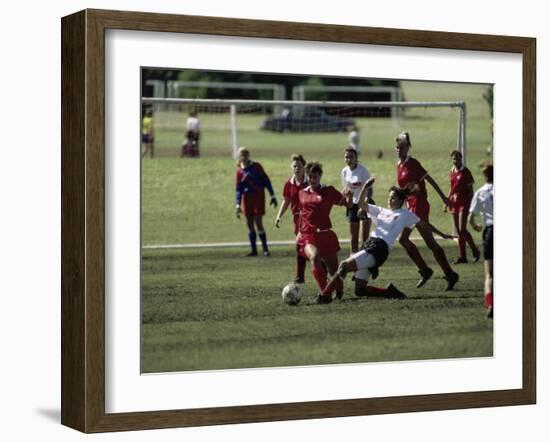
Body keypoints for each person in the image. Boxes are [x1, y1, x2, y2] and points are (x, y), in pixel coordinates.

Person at [322, 179, 425, 299]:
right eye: (389, 197)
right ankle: (389, 292)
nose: (389, 200)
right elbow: (361, 205)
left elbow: (424, 224)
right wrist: (365, 187)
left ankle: (324, 295)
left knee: (343, 266)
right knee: (360, 290)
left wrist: (444, 235)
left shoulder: (405, 214)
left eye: (393, 198)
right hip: (369, 245)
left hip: (379, 248)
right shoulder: (381, 210)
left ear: (401, 201)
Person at [395, 132, 459, 291]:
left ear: (408, 147)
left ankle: (425, 270)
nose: (399, 150)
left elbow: (429, 180)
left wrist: (444, 197)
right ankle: (449, 274)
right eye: (397, 147)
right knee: (429, 243)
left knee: (403, 239)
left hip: (420, 204)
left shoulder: (413, 164)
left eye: (402, 147)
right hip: (410, 206)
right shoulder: (399, 165)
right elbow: (405, 190)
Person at [297, 162, 353, 304]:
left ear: (320, 176)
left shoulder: (328, 191)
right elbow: (301, 215)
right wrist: (299, 231)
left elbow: (347, 204)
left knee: (335, 273)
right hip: (308, 235)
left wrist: (349, 196)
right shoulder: (302, 193)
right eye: (309, 177)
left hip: (326, 235)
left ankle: (337, 290)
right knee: (315, 257)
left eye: (315, 176)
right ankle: (325, 294)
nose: (312, 179)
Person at [235, 148, 277, 257]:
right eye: (241, 155)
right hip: (246, 199)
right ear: (239, 156)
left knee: (258, 222)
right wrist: (238, 204)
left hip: (258, 197)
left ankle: (265, 249)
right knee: (249, 223)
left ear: (248, 155)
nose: (243, 156)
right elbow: (238, 189)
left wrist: (272, 195)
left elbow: (266, 181)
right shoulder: (239, 171)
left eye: (245, 154)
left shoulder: (256, 166)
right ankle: (253, 250)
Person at [275, 154, 308, 283]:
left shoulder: (309, 181)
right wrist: (279, 216)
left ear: (304, 167)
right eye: (294, 166)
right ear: (291, 167)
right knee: (302, 247)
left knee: (302, 245)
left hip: (308, 218)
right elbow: (286, 200)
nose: (297, 168)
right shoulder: (289, 184)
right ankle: (302, 275)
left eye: (299, 166)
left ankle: (301, 276)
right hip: (296, 220)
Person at [468, 164, 494, 318]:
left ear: (485, 176)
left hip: (490, 231)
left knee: (489, 274)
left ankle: (490, 303)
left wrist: (476, 226)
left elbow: (471, 217)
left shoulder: (480, 192)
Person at [448, 150, 480, 263]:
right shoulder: (452, 171)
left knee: (462, 229)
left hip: (464, 203)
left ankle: (475, 250)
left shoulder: (466, 172)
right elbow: (451, 188)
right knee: (458, 230)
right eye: (453, 159)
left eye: (457, 158)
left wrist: (471, 204)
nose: (455, 161)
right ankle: (462, 257)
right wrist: (447, 201)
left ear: (461, 159)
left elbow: (471, 191)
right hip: (454, 203)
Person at [341, 147, 372, 253]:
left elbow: (370, 189)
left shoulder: (363, 170)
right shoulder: (344, 171)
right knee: (353, 239)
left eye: (351, 157)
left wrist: (363, 205)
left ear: (356, 158)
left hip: (365, 203)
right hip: (352, 206)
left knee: (364, 239)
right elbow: (345, 189)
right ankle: (353, 262)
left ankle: (365, 263)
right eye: (346, 157)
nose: (349, 159)